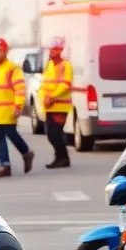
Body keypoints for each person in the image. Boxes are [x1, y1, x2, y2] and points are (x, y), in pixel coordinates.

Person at [0, 37, 35, 177]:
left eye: (0, 51)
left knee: (12, 135)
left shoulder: (12, 69)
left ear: (5, 52)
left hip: (8, 111)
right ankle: (5, 165)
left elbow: (20, 89)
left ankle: (26, 153)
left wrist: (18, 106)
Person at [40, 36, 73, 169]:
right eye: (51, 49)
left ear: (60, 50)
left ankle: (63, 158)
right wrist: (44, 98)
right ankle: (60, 157)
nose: (52, 52)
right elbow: (44, 85)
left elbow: (65, 84)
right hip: (49, 106)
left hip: (60, 106)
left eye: (55, 49)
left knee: (55, 134)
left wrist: (52, 97)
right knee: (50, 134)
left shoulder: (65, 65)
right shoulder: (49, 65)